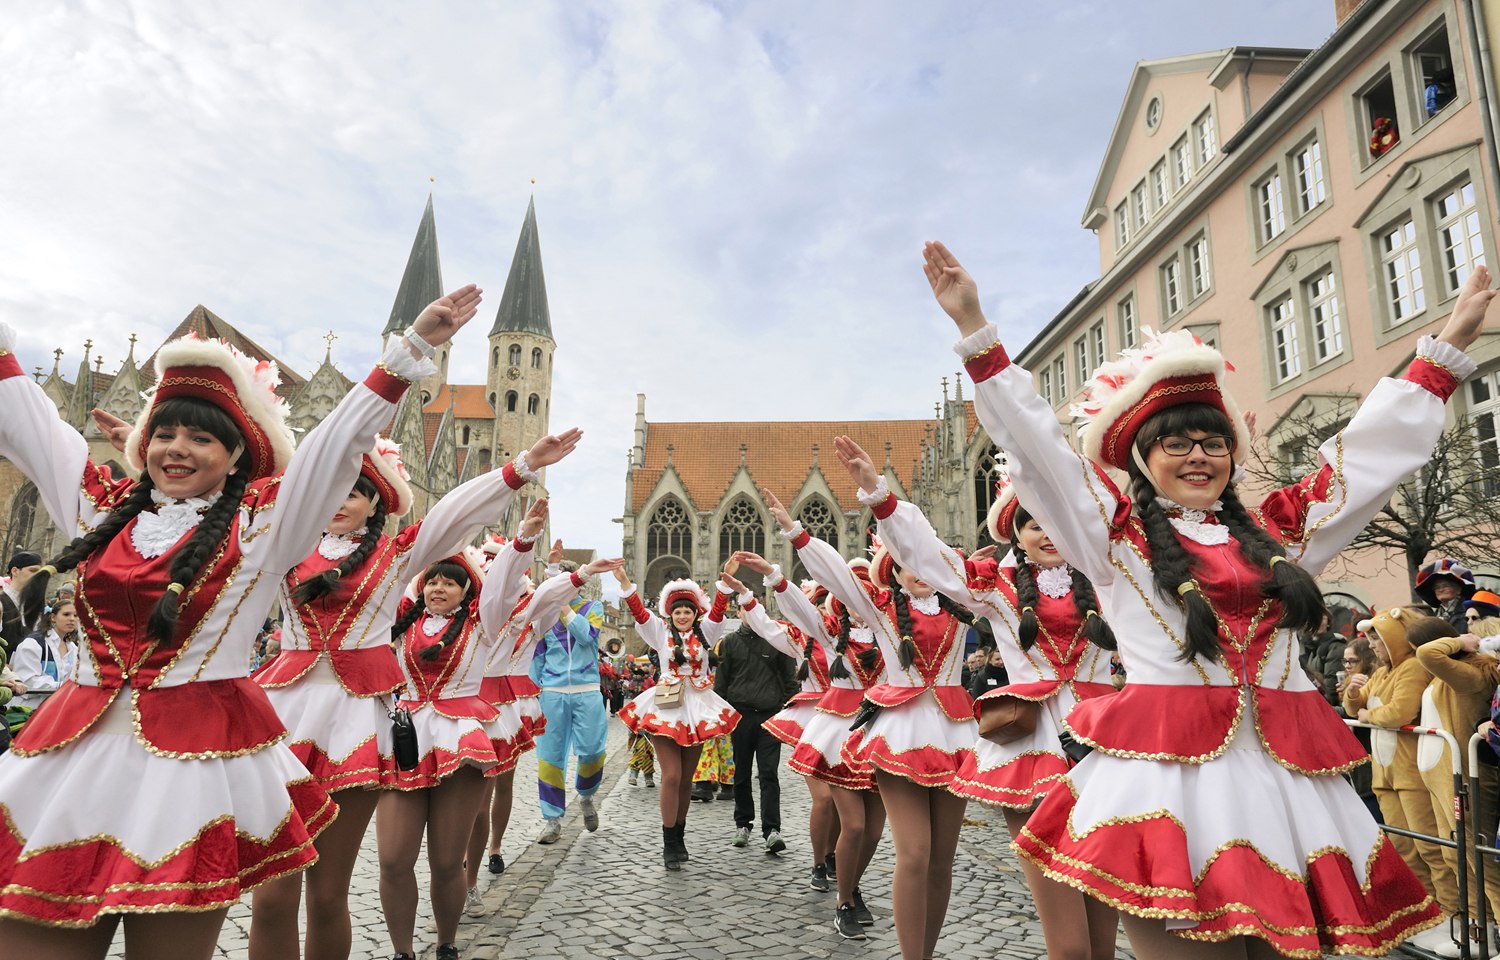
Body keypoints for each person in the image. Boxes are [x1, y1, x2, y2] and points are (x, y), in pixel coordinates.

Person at [925, 241, 1495, 956]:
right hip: (1172, 790)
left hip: (1291, 786)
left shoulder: (1280, 531)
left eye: (1212, 441)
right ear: (1140, 459)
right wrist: (979, 336)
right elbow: (1041, 454)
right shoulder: (1114, 535)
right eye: (1177, 444)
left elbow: (1365, 459)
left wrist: (1443, 351)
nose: (1199, 454)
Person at [0, 284, 477, 958]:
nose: (177, 447)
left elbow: (333, 447)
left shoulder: (261, 529)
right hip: (68, 759)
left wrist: (406, 355)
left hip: (185, 775)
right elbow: (27, 423)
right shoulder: (98, 507)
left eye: (201, 436)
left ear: (236, 455)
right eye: (164, 431)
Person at [245, 424, 578, 960]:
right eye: (330, 489)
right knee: (271, 896)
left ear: (376, 501)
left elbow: (451, 515)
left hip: (356, 722)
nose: (337, 501)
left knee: (328, 894)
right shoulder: (282, 548)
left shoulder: (395, 556)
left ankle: (447, 925)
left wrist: (518, 470)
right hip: (284, 717)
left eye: (352, 491)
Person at [837, 447, 1120, 960]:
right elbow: (931, 557)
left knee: (1104, 931)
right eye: (1034, 523)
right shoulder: (995, 587)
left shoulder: (1110, 581)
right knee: (1072, 943)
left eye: (1057, 520)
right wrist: (882, 499)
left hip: (1108, 745)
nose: (1048, 533)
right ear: (1016, 535)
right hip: (1033, 748)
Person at [760, 528, 886, 938]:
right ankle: (842, 896)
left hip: (881, 731)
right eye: (855, 592)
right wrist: (776, 577)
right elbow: (799, 612)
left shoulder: (890, 631)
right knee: (852, 823)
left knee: (874, 830)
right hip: (837, 732)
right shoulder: (832, 632)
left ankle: (851, 884)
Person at [613, 568, 738, 871]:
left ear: (695, 614)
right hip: (667, 706)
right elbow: (639, 613)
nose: (682, 615)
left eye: (687, 611)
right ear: (670, 613)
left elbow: (719, 610)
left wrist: (724, 582)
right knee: (670, 775)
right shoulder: (659, 632)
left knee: (686, 778)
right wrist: (626, 582)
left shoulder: (706, 633)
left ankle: (679, 835)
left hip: (698, 706)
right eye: (678, 611)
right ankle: (669, 842)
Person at [728, 556, 842, 888]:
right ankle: (819, 862)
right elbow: (765, 626)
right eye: (818, 605)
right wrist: (748, 596)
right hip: (816, 722)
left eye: (829, 604)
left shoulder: (860, 637)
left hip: (851, 723)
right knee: (824, 798)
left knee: (845, 801)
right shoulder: (799, 641)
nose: (825, 612)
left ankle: (836, 854)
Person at [1415, 614, 1500, 956]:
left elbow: (1427, 654)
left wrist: (1459, 642)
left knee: (1484, 863)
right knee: (1459, 858)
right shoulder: (1457, 673)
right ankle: (1483, 935)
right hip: (1445, 779)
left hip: (1467, 777)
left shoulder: (1470, 673)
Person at [716, 565, 800, 854]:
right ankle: (743, 824)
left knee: (768, 775)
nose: (750, 615)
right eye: (745, 611)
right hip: (739, 716)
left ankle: (772, 829)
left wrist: (790, 714)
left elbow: (790, 682)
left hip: (769, 716)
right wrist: (722, 721)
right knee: (740, 774)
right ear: (738, 613)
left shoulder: (777, 642)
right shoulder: (728, 643)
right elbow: (721, 686)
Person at [529, 552, 612, 843]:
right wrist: (529, 697)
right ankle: (552, 820)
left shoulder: (593, 607)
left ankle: (586, 795)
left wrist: (563, 606)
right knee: (549, 758)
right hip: (552, 694)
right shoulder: (544, 617)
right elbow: (537, 658)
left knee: (592, 752)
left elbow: (587, 635)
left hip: (586, 692)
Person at [11, 598, 79, 709]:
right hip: (29, 709)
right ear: (53, 617)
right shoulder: (33, 643)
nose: (72, 619)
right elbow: (27, 680)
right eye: (66, 614)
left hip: (58, 707)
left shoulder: (73, 648)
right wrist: (63, 686)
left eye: (75, 616)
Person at [1416, 558, 1477, 632]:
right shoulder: (1433, 615)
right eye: (1436, 587)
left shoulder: (1470, 611)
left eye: (1445, 586)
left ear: (1458, 590)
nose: (1440, 590)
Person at [0, 552, 42, 657]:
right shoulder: (1, 601)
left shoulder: (33, 606)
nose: (38, 576)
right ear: (15, 571)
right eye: (33, 570)